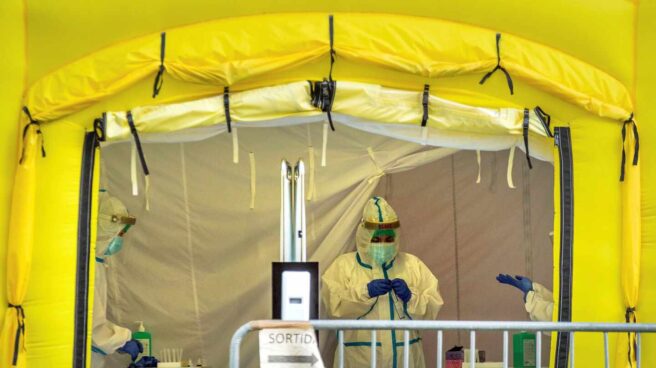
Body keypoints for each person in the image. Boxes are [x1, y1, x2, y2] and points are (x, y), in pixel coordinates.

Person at [322, 196, 444, 368]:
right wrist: (365, 292)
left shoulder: (412, 265)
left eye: (388, 239)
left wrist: (411, 297)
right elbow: (334, 307)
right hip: (360, 360)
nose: (383, 244)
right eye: (376, 239)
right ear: (365, 237)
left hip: (406, 360)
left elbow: (433, 307)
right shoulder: (343, 266)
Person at [92, 191, 143, 367]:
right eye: (119, 234)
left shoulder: (95, 263)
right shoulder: (87, 269)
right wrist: (122, 340)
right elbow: (91, 326)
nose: (119, 240)